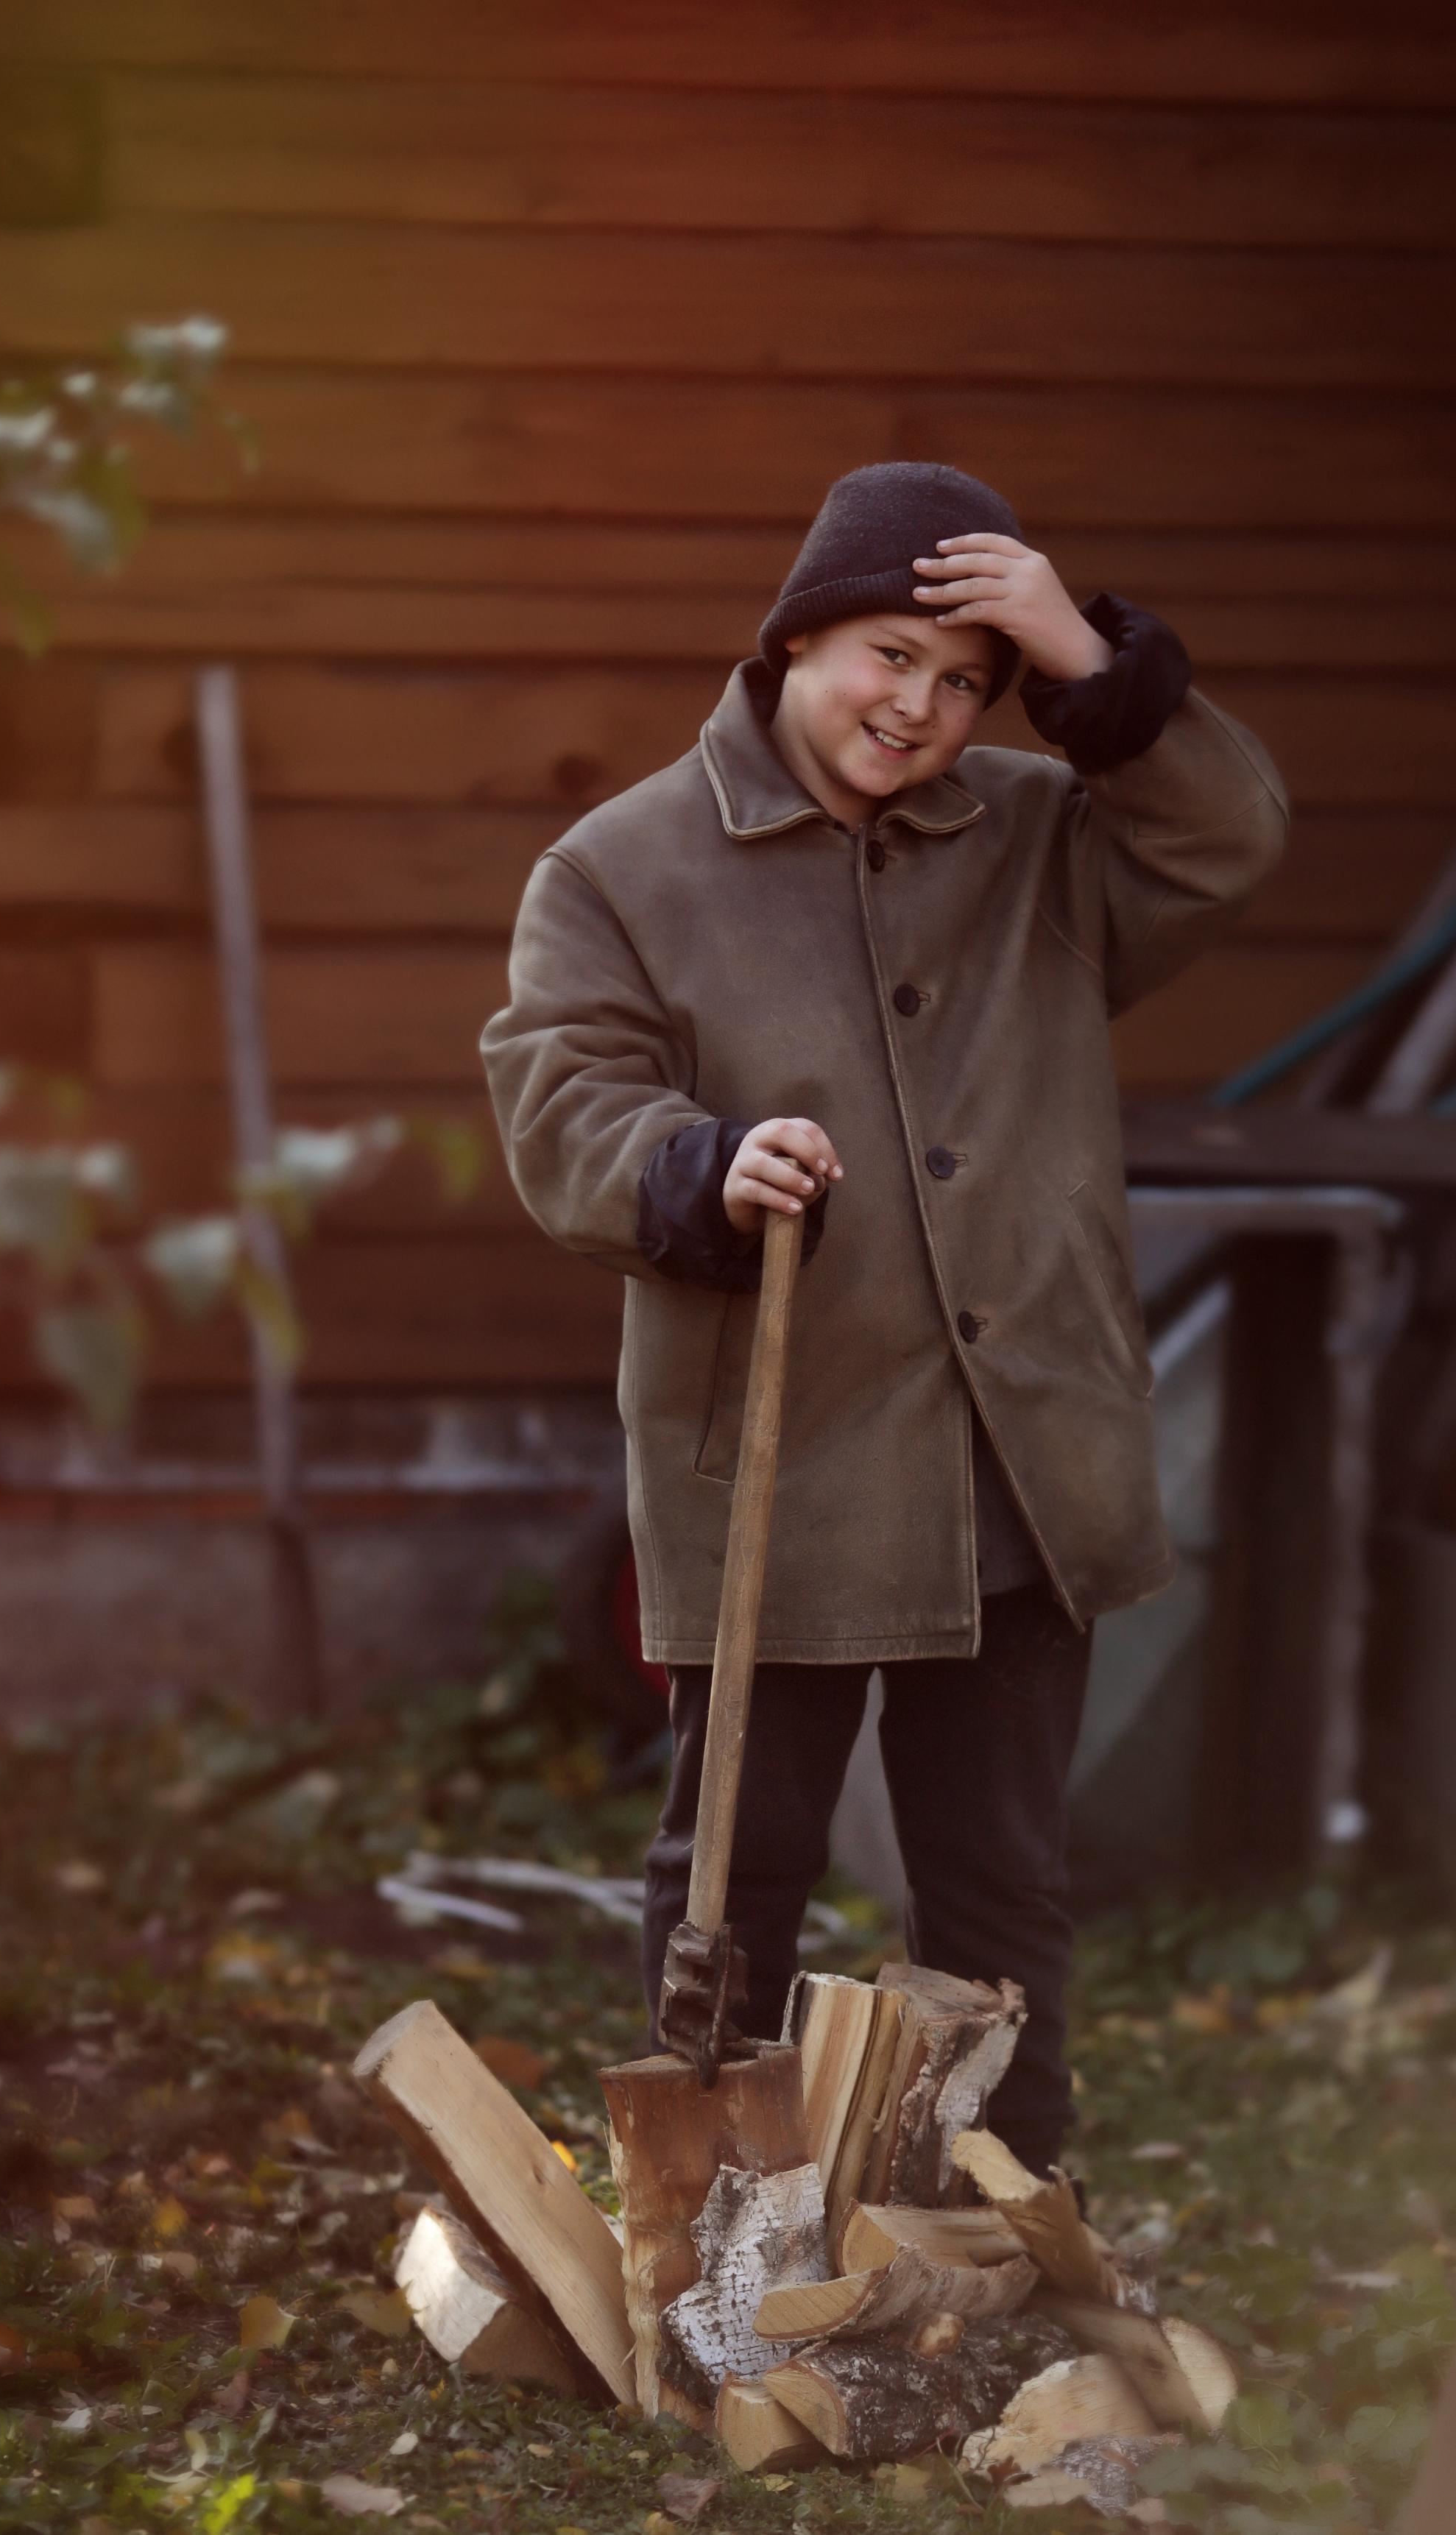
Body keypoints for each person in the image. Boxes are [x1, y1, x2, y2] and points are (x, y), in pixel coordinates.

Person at [481, 462, 1287, 2173]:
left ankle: (1003, 2205)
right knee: (736, 1866)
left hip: (1020, 1454)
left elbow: (1223, 835)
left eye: (962, 680)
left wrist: (1088, 661)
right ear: (791, 641)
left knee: (998, 1875)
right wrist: (698, 1164)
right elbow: (560, 1101)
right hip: (783, 1451)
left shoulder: (1033, 837)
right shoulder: (620, 865)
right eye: (883, 657)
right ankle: (712, 2218)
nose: (916, 708)